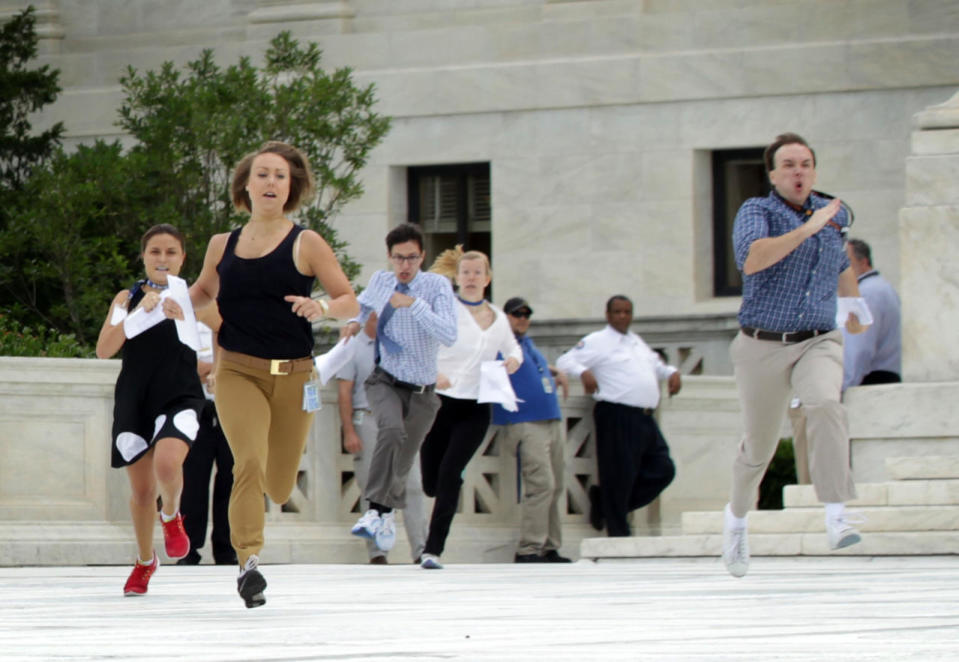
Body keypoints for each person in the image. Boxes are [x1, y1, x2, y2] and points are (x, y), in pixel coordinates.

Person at [164, 141, 357, 608]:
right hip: (237, 370)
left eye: (280, 177)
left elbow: (349, 298)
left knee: (280, 483)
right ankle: (248, 562)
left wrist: (323, 307)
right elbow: (203, 292)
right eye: (263, 174)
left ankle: (263, 518)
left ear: (291, 188)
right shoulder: (221, 244)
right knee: (246, 461)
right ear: (246, 184)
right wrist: (169, 302)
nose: (271, 182)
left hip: (297, 376)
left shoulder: (306, 242)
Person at [723, 132, 868, 579]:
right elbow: (751, 259)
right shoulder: (757, 212)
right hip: (761, 344)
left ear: (814, 171)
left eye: (805, 164)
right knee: (759, 447)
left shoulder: (834, 217)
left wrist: (855, 310)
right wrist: (807, 226)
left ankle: (836, 514)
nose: (798, 172)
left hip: (817, 339)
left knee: (825, 404)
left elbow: (839, 265)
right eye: (788, 165)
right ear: (773, 174)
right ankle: (737, 520)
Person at [96, 224, 206, 596]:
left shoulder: (194, 298)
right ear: (143, 256)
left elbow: (226, 332)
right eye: (155, 251)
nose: (162, 259)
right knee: (142, 491)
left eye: (171, 252)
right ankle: (145, 561)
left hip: (180, 395)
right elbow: (104, 350)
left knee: (168, 463)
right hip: (135, 399)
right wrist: (136, 315)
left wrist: (217, 367)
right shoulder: (125, 298)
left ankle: (172, 514)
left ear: (183, 257)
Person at [345, 223, 457, 564]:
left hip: (423, 390)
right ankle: (375, 512)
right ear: (390, 257)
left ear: (422, 256)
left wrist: (413, 305)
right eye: (398, 258)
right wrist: (353, 321)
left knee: (404, 461)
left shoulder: (436, 286)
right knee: (390, 430)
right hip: (385, 380)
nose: (405, 265)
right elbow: (362, 306)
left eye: (411, 258)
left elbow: (449, 334)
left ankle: (382, 513)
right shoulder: (381, 280)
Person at [415, 247, 522, 569]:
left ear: (487, 278)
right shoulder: (446, 309)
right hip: (440, 402)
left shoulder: (499, 317)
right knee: (431, 480)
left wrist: (513, 361)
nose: (471, 278)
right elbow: (423, 343)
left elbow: (512, 347)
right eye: (466, 273)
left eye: (478, 273)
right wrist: (433, 373)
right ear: (457, 277)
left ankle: (432, 550)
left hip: (476, 405)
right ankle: (434, 493)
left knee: (451, 474)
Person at [556, 295, 680, 538]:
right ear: (608, 314)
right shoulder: (598, 341)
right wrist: (583, 372)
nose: (622, 316)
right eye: (617, 312)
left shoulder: (635, 342)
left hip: (644, 417)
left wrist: (672, 372)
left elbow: (656, 366)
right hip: (617, 413)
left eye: (627, 312)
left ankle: (606, 505)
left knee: (663, 469)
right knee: (619, 475)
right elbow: (565, 360)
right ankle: (618, 531)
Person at [788, 237, 902, 483]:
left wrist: (838, 389)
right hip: (879, 379)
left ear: (862, 263)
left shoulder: (866, 293)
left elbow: (859, 350)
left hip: (866, 382)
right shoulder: (882, 288)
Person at [337, 312, 428, 565]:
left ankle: (421, 549)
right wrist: (349, 431)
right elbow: (344, 392)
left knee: (412, 485)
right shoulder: (353, 348)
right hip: (367, 419)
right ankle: (377, 552)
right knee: (372, 487)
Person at [492, 296, 572, 563]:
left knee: (557, 485)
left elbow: (532, 367)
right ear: (506, 317)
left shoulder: (527, 344)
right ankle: (529, 548)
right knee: (541, 485)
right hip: (525, 421)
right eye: (517, 314)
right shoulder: (500, 343)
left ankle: (549, 545)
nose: (523, 319)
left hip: (550, 418)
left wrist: (553, 371)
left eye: (526, 314)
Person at [176, 319, 238, 566]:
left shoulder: (234, 321)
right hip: (197, 409)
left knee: (231, 480)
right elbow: (182, 363)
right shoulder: (187, 322)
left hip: (232, 409)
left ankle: (226, 548)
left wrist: (215, 370)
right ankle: (188, 549)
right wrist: (214, 369)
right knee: (192, 481)